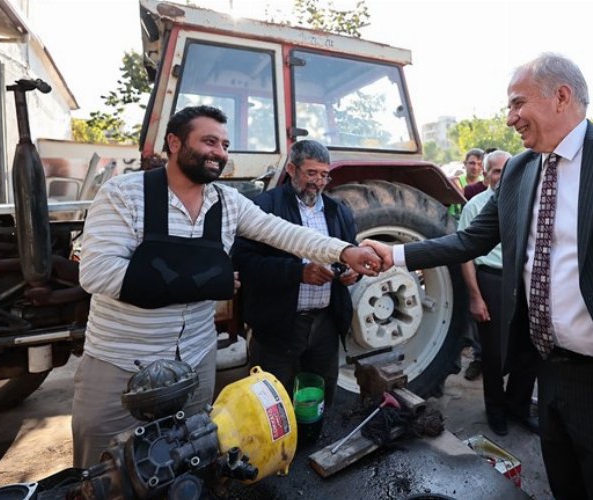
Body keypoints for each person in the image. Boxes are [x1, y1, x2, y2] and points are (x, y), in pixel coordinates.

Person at [361, 53, 593, 499]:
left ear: (561, 97)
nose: (510, 118)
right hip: (549, 373)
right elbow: (469, 240)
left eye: (517, 104)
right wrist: (394, 253)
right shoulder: (518, 170)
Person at [73, 106, 380, 468]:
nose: (219, 152)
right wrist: (210, 280)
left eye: (224, 144)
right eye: (209, 141)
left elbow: (286, 234)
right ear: (174, 142)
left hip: (196, 359)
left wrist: (344, 250)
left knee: (189, 459)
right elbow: (97, 272)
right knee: (105, 468)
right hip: (121, 362)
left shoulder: (228, 201)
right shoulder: (124, 194)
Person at [232, 140, 359, 404]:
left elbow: (351, 252)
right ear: (291, 168)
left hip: (325, 324)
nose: (319, 182)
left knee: (319, 396)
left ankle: (313, 442)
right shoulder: (264, 207)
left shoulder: (338, 211)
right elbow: (244, 262)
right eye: (311, 173)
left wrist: (351, 274)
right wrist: (297, 273)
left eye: (324, 175)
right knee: (271, 402)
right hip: (278, 326)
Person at [459, 150, 538, 437]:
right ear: (485, 175)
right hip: (491, 281)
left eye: (508, 170)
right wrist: (475, 296)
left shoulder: (527, 201)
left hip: (525, 280)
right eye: (495, 171)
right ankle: (495, 410)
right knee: (494, 353)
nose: (502, 177)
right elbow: (465, 255)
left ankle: (518, 407)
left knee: (530, 349)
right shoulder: (475, 206)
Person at [448, 148, 484, 219]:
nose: (475, 167)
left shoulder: (485, 184)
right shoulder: (455, 182)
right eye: (472, 163)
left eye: (479, 164)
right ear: (465, 164)